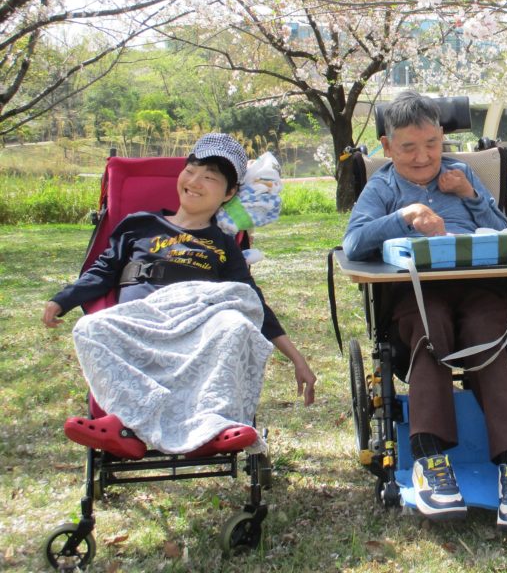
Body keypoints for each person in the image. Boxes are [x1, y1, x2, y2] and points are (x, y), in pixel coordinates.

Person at [43, 133, 317, 459]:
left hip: (197, 327)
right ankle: (126, 426)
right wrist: (63, 299)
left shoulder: (222, 243)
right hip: (142, 321)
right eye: (191, 170)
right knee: (89, 328)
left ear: (229, 193)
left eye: (210, 178)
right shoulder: (139, 225)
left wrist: (296, 358)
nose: (195, 181)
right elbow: (102, 271)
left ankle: (211, 425)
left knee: (236, 324)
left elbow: (252, 300)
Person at [342, 91, 507, 532]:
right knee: (430, 331)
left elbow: (504, 233)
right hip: (417, 291)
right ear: (387, 146)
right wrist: (406, 215)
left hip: (477, 284)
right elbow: (353, 243)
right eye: (408, 147)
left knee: (488, 335)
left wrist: (471, 195)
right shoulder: (384, 187)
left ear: (442, 139)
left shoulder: (461, 173)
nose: (422, 156)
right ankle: (429, 458)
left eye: (432, 144)